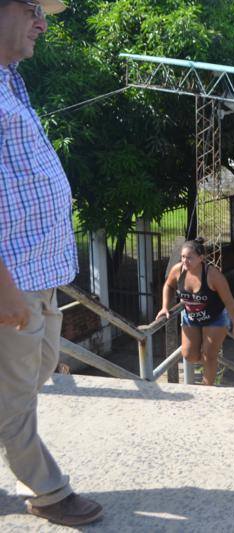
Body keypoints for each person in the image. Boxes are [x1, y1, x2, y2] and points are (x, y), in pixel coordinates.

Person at [0, 0, 105, 526]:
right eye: (33, 8)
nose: (43, 23)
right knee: (15, 396)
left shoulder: (9, 79)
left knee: (34, 373)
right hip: (9, 280)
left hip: (40, 275)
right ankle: (48, 490)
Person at [156, 238, 234, 386]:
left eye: (189, 257)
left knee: (209, 355)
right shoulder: (178, 270)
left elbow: (229, 301)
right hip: (191, 317)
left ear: (201, 258)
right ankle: (211, 359)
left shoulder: (213, 275)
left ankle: (207, 387)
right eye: (183, 257)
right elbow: (168, 286)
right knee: (189, 355)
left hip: (215, 318)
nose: (185, 261)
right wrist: (164, 306)